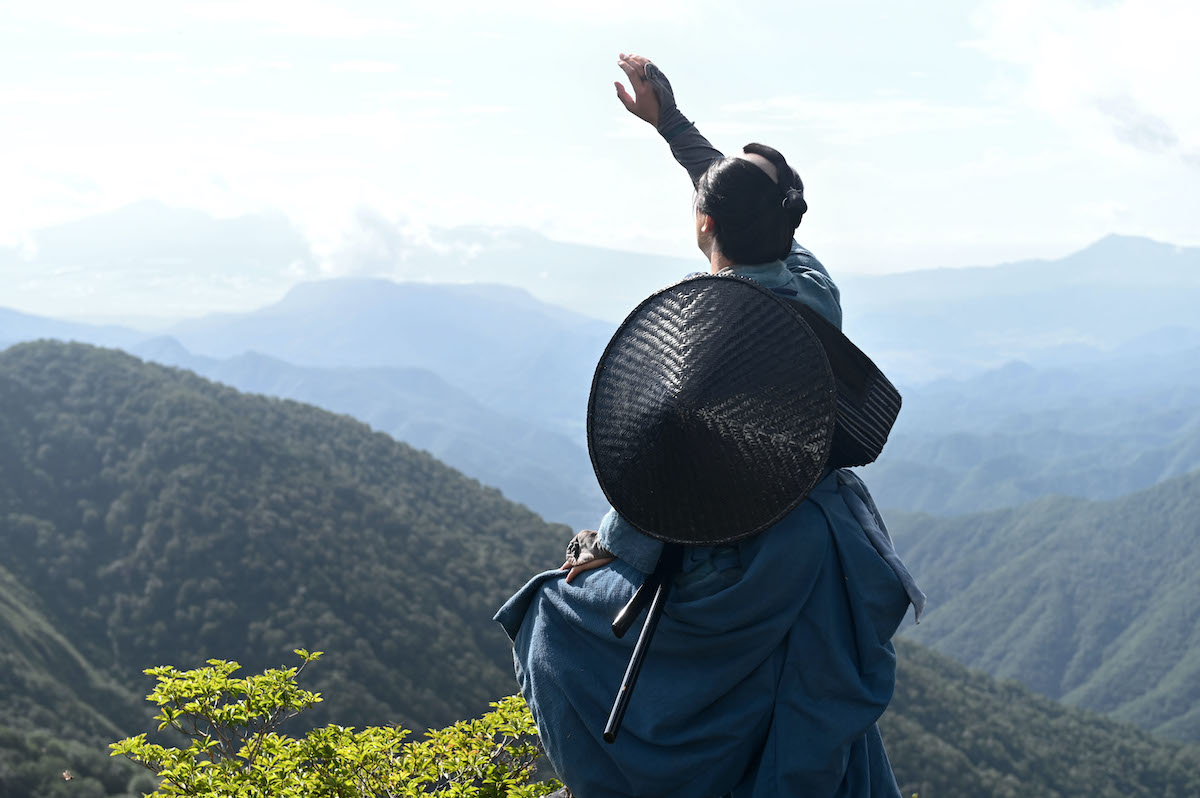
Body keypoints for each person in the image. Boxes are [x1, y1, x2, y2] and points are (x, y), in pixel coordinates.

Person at [494, 55, 925, 798]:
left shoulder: (695, 342)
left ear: (703, 225)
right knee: (804, 720)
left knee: (552, 619)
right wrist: (674, 128)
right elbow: (749, 209)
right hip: (827, 543)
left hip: (744, 561)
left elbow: (663, 482)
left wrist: (604, 549)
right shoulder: (814, 293)